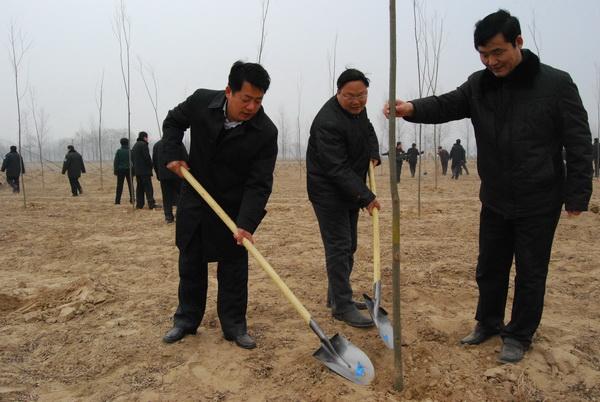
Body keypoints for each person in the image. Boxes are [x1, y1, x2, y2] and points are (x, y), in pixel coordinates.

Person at [385, 10, 592, 363]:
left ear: (518, 43)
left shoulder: (556, 84)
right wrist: (410, 108)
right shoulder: (479, 84)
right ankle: (488, 322)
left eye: (498, 52)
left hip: (539, 197)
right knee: (490, 266)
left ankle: (519, 334)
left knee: (530, 270)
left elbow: (578, 141)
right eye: (484, 54)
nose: (491, 61)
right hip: (495, 196)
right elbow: (447, 103)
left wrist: (578, 193)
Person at [161, 61, 278, 349]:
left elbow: (259, 182)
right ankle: (186, 321)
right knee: (190, 264)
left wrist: (246, 223)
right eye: (246, 99)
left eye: (259, 100)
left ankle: (235, 325)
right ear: (229, 91)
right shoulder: (202, 101)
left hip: (233, 208)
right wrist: (174, 153)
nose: (252, 107)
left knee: (234, 269)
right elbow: (173, 122)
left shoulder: (265, 132)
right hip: (196, 200)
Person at [306, 68, 380, 328]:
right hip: (328, 192)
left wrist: (374, 153)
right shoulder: (328, 122)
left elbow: (368, 131)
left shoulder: (359, 110)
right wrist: (366, 196)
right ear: (338, 93)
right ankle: (342, 307)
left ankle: (337, 296)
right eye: (350, 96)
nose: (357, 101)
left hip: (349, 189)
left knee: (349, 246)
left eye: (362, 95)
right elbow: (335, 168)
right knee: (339, 248)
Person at [153, 136, 188, 223]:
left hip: (163, 176)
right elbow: (185, 157)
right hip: (177, 174)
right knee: (181, 195)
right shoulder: (178, 143)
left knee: (166, 196)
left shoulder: (157, 145)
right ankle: (179, 215)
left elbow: (154, 161)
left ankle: (168, 217)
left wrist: (158, 174)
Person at [131, 131, 157, 209]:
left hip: (137, 171)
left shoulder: (135, 146)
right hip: (145, 171)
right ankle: (151, 204)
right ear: (145, 137)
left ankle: (139, 204)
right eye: (147, 137)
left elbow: (132, 158)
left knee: (139, 188)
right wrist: (151, 165)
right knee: (148, 187)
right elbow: (147, 157)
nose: (147, 139)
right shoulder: (143, 145)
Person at [113, 137, 133, 204]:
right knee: (131, 185)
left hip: (120, 170)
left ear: (121, 143)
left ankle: (117, 201)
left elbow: (116, 162)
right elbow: (133, 161)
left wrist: (115, 170)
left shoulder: (118, 151)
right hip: (129, 170)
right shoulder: (130, 151)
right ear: (128, 143)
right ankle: (132, 199)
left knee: (119, 186)